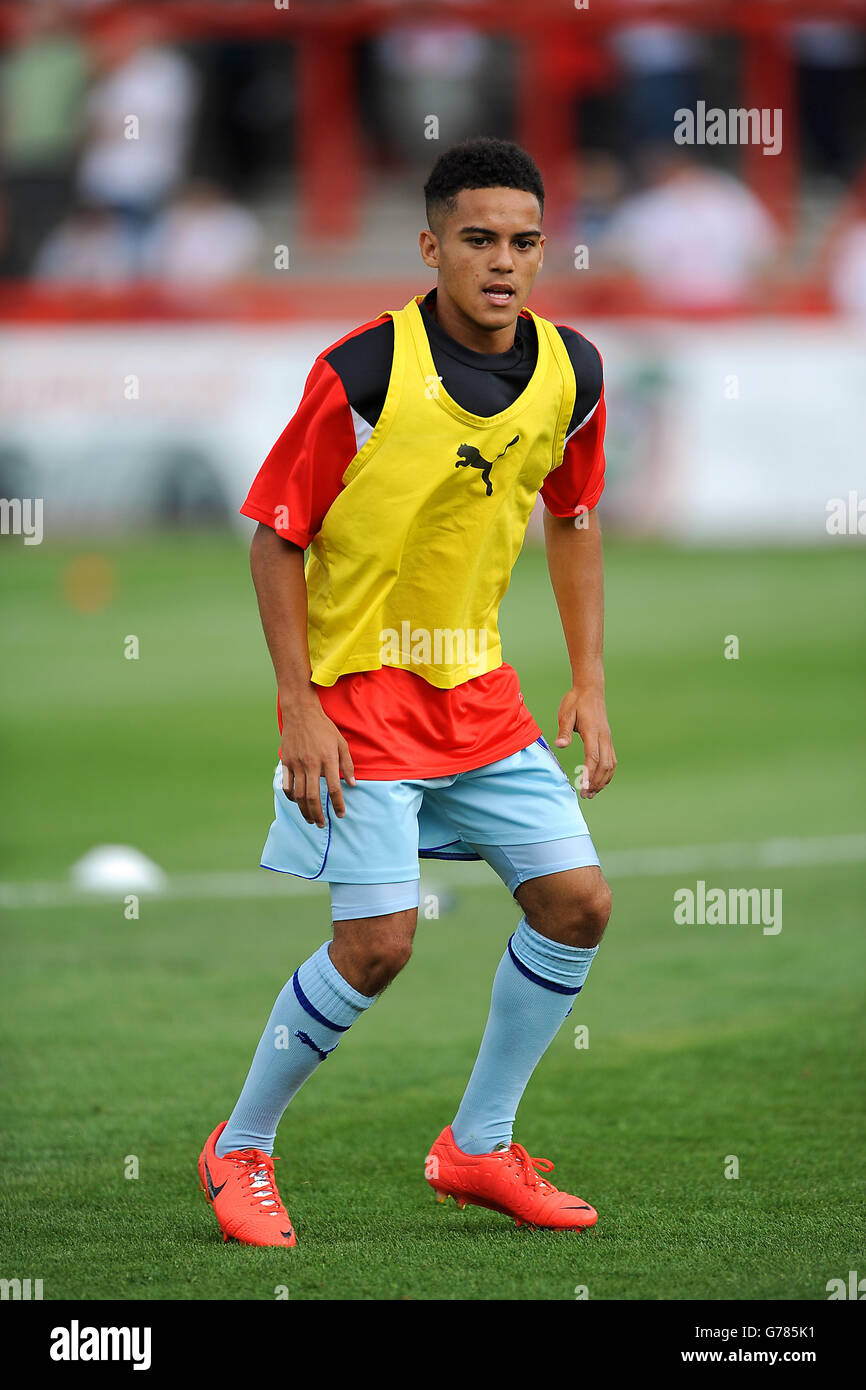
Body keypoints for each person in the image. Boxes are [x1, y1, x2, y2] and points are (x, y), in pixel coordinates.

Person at [198, 138, 616, 1247]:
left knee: (576, 903)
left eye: (523, 242)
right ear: (429, 246)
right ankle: (238, 1147)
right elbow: (274, 540)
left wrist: (588, 680)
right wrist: (299, 705)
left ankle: (476, 1147)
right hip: (357, 700)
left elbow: (572, 516)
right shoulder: (364, 372)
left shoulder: (573, 369)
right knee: (379, 944)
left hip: (477, 694)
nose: (503, 261)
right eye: (477, 239)